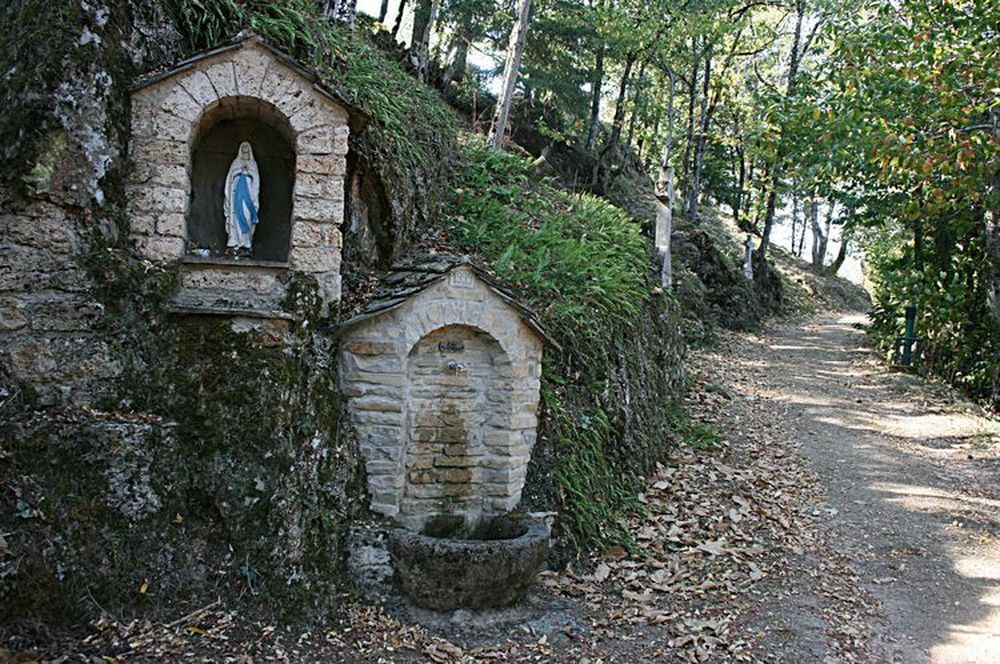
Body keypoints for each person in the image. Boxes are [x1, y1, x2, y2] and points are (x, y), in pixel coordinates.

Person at [223, 141, 260, 258]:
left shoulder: (253, 164)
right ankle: (233, 242)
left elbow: (256, 181)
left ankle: (245, 243)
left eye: (247, 151)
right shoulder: (236, 163)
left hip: (248, 196)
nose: (245, 153)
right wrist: (239, 171)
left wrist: (248, 172)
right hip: (236, 194)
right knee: (235, 218)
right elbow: (230, 178)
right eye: (243, 151)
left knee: (246, 216)